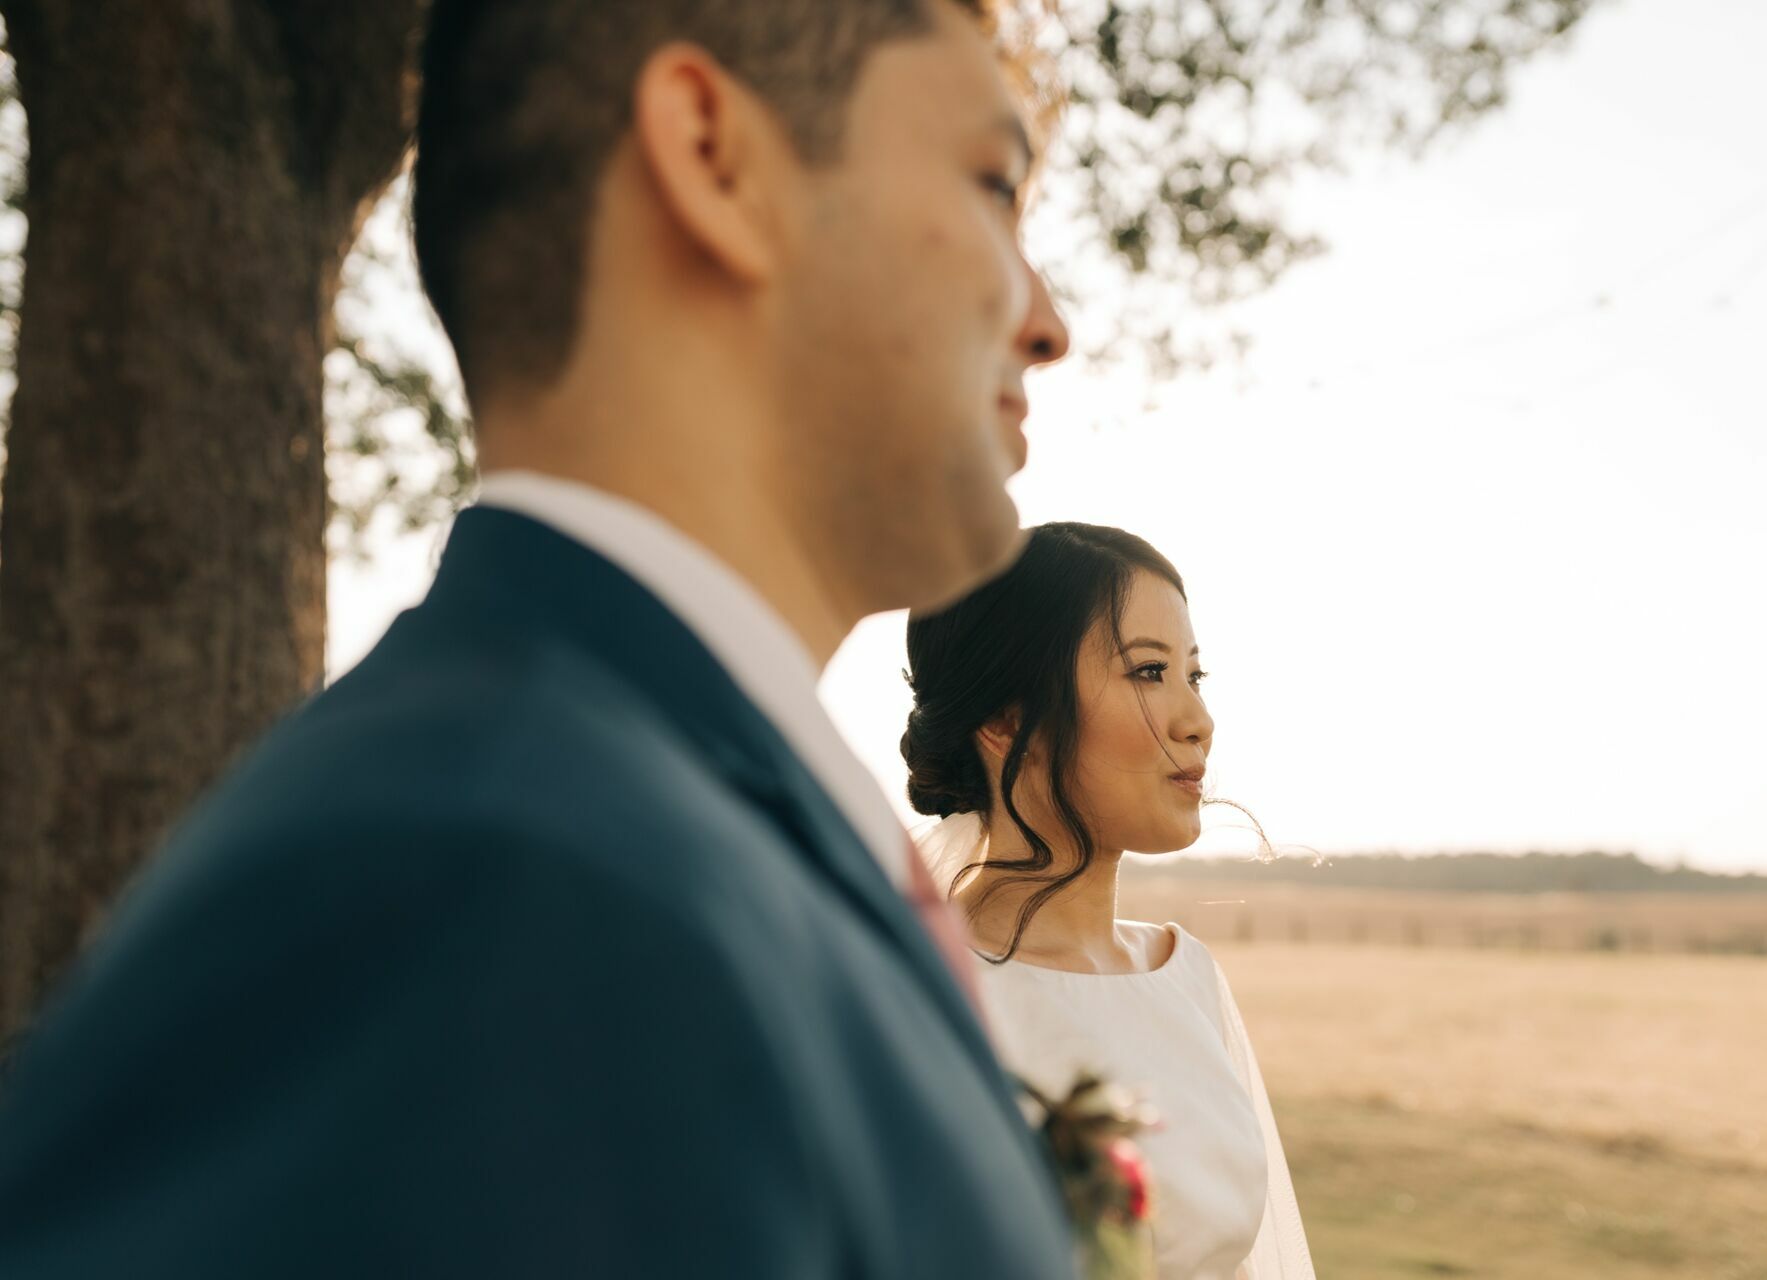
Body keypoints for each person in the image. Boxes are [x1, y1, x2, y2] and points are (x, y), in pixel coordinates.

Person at [0, 1, 1075, 1275]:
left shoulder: (653, 821)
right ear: (713, 156)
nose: (1048, 318)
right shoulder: (482, 873)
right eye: (993, 182)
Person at [904, 522, 1318, 1280]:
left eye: (1195, 676)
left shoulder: (1185, 976)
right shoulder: (921, 993)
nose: (1198, 722)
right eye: (1148, 673)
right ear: (1003, 717)